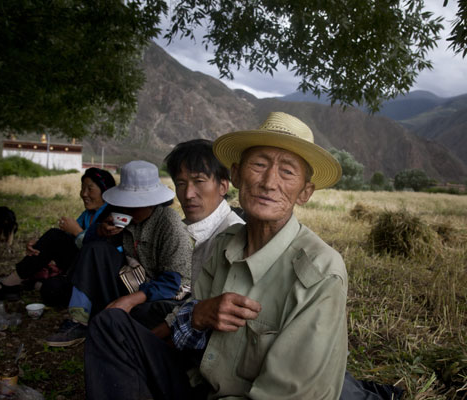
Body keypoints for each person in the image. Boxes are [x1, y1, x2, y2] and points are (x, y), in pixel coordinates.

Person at [84, 112, 349, 399]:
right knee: (109, 325)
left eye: (287, 171)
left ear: (305, 192)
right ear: (235, 174)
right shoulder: (225, 244)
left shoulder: (321, 273)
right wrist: (197, 316)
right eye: (259, 165)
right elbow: (188, 320)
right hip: (197, 381)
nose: (269, 182)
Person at [45, 160, 193, 347]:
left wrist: (130, 300)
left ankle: (118, 325)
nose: (126, 208)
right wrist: (100, 231)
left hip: (165, 295)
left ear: (152, 202)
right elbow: (89, 250)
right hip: (133, 282)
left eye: (134, 204)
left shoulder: (168, 223)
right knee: (95, 249)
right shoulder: (125, 218)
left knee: (150, 314)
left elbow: (173, 282)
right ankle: (78, 322)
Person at [130, 139, 244, 329]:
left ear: (223, 186)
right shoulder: (178, 228)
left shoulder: (233, 235)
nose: (188, 194)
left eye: (199, 181)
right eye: (181, 183)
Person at [0, 168, 115, 302]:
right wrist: (39, 245)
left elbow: (100, 253)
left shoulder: (112, 216)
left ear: (105, 191)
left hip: (95, 274)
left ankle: (34, 284)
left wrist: (77, 232)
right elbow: (63, 241)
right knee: (55, 236)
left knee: (51, 289)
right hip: (79, 267)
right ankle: (11, 283)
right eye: (82, 188)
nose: (84, 194)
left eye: (90, 189)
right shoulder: (87, 215)